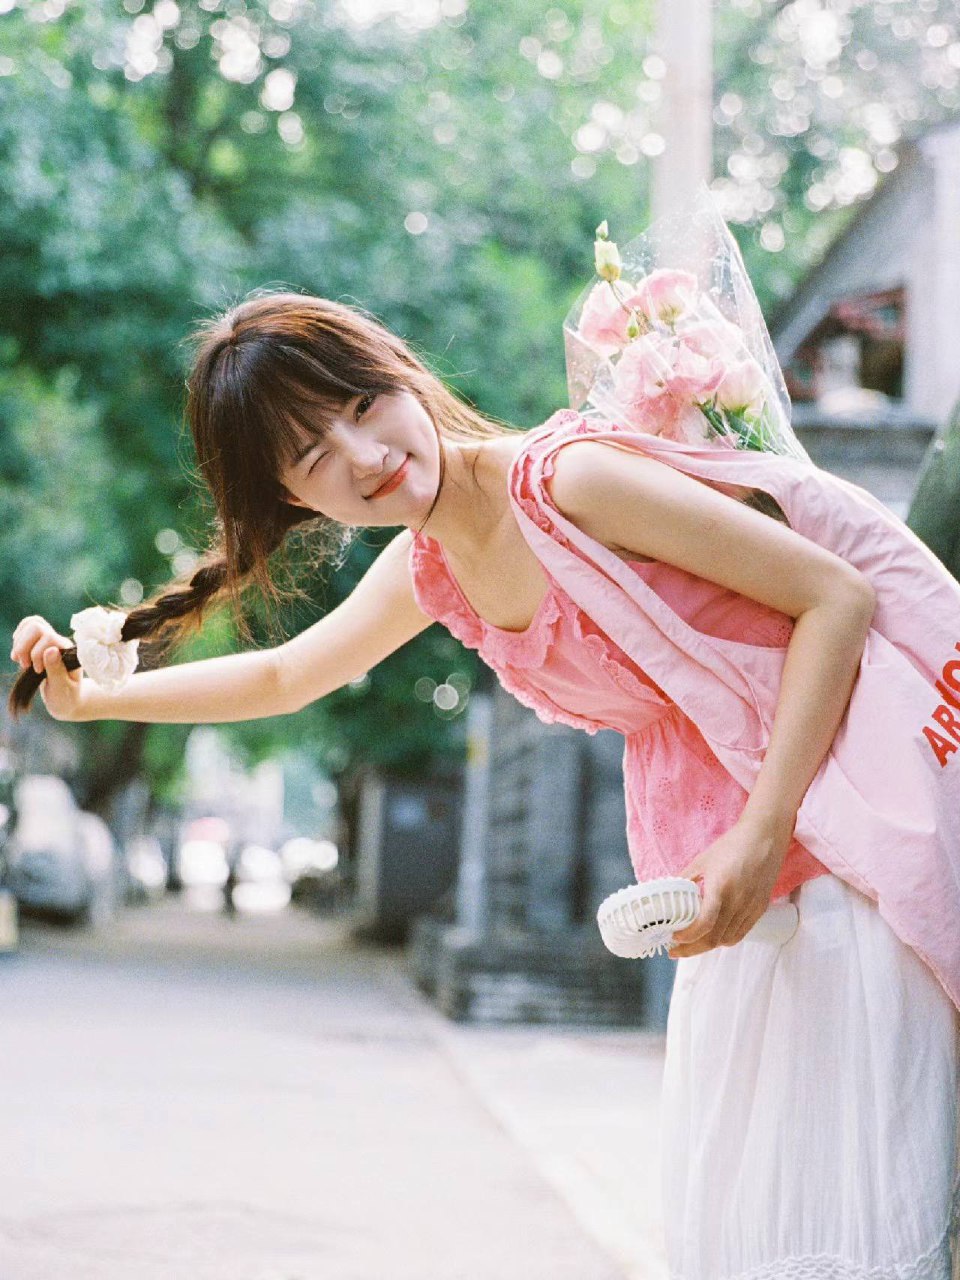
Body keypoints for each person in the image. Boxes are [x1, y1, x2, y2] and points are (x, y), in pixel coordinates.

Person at [8, 292, 960, 1278]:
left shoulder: (571, 481)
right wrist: (95, 702)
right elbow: (288, 675)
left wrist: (763, 833)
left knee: (860, 1222)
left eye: (362, 403)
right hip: (729, 886)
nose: (364, 453)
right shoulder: (433, 568)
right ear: (291, 498)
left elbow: (834, 595)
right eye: (313, 454)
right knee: (751, 1235)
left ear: (402, 371)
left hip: (840, 840)